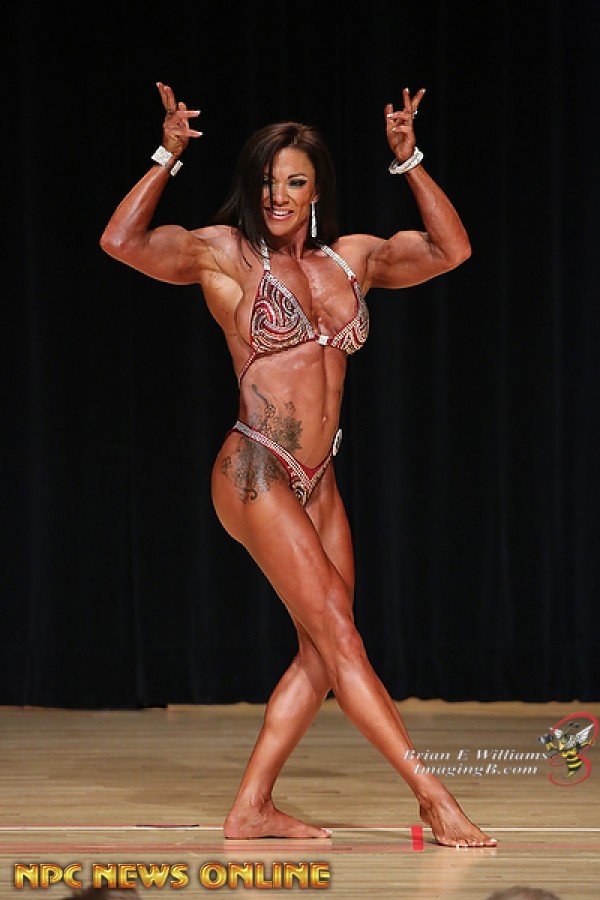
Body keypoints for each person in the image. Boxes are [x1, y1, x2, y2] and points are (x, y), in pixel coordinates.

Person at [100, 80, 496, 849]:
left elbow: (453, 250)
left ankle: (252, 808)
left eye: (294, 181)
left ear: (317, 191)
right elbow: (121, 241)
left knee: (323, 650)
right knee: (342, 638)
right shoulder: (226, 254)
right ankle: (435, 800)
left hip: (319, 480)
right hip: (255, 467)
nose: (277, 195)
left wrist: (410, 159)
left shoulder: (351, 262)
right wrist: (167, 154)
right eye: (268, 180)